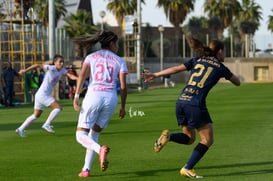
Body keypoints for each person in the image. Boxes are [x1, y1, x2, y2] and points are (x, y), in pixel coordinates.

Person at [142, 37, 240, 179]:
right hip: (195, 104)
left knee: (189, 138)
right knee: (207, 140)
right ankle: (187, 168)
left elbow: (176, 69)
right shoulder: (220, 67)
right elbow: (237, 82)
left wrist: (155, 74)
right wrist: (228, 74)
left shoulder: (197, 60)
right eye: (224, 52)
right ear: (220, 51)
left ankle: (169, 137)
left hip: (181, 101)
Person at [73, 30, 128, 178]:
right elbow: (123, 86)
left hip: (93, 96)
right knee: (93, 134)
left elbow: (82, 76)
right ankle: (86, 169)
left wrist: (76, 96)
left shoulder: (91, 57)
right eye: (116, 43)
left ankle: (100, 150)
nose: (117, 46)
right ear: (111, 44)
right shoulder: (120, 61)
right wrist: (123, 107)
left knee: (80, 135)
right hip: (111, 99)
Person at [15, 55, 78, 137]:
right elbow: (37, 65)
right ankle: (47, 124)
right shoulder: (51, 68)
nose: (62, 63)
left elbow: (70, 76)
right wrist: (25, 70)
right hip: (42, 95)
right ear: (55, 63)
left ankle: (20, 129)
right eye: (60, 62)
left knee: (36, 115)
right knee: (58, 108)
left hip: (40, 95)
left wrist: (78, 78)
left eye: (63, 62)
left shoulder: (62, 70)